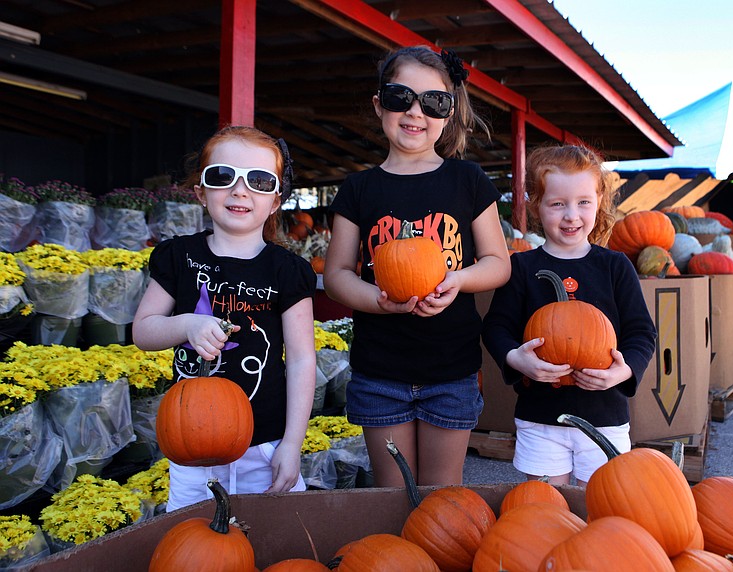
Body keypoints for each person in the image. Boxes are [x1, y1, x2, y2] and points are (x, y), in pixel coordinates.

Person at [323, 46, 511, 487]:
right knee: (393, 494)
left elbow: (498, 263)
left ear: (448, 113)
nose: (415, 112)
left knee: (442, 494)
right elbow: (336, 276)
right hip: (380, 372)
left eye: (432, 102)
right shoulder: (358, 189)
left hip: (451, 371)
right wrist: (378, 300)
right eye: (399, 97)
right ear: (379, 104)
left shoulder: (468, 181)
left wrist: (460, 279)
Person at [133, 125, 316, 511]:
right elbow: (144, 331)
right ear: (201, 191)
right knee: (191, 542)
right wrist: (186, 324)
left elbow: (301, 359)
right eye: (222, 176)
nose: (239, 190)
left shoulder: (286, 270)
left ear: (275, 200)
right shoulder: (179, 257)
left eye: (259, 180)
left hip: (266, 444)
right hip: (191, 444)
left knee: (275, 542)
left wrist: (292, 444)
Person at [482, 144, 656, 487]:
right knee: (548, 509)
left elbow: (641, 332)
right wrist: (517, 359)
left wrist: (624, 371)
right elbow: (496, 327)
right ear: (538, 206)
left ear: (598, 201)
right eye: (558, 203)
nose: (571, 215)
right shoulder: (522, 267)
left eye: (583, 202)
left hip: (605, 415)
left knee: (604, 507)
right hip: (540, 418)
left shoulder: (615, 267)